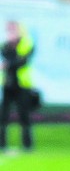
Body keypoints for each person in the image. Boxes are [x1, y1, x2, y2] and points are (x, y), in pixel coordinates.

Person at [0, 20, 35, 151]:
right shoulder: (5, 45)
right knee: (3, 116)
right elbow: (5, 56)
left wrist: (8, 65)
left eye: (13, 30)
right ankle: (2, 144)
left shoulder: (26, 43)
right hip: (8, 84)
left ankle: (27, 145)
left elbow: (22, 61)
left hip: (22, 84)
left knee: (24, 115)